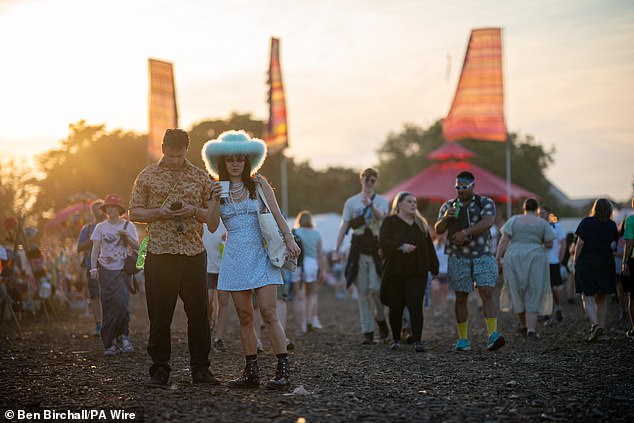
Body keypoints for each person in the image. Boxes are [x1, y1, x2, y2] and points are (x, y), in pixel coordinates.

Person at [203, 130, 301, 390]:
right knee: (244, 316)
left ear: (248, 161)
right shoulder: (216, 189)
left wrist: (290, 239)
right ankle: (251, 371)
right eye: (230, 160)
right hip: (234, 255)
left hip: (261, 252)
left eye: (240, 159)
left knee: (269, 311)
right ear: (221, 163)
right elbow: (212, 226)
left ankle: (283, 370)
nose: (236, 163)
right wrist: (213, 200)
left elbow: (278, 215)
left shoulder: (259, 184)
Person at [129, 128, 219, 387]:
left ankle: (201, 369)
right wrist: (160, 212)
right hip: (159, 252)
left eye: (180, 156)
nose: (175, 161)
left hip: (192, 251)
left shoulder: (200, 177)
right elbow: (134, 211)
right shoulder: (147, 175)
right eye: (170, 155)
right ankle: (159, 370)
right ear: (163, 148)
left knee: (199, 315)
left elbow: (212, 218)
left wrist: (194, 211)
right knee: (160, 315)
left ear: (187, 151)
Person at [434, 171, 505, 351]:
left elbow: (488, 221)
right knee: (460, 296)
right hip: (458, 257)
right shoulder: (448, 205)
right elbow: (438, 230)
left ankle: (493, 335)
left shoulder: (485, 202)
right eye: (457, 187)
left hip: (481, 253)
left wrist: (465, 233)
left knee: (487, 291)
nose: (460, 190)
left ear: (473, 186)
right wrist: (445, 217)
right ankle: (463, 339)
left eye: (464, 187)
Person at [334, 168, 390, 345]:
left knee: (376, 289)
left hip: (375, 248)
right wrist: (337, 248)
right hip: (358, 247)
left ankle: (380, 317)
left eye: (373, 180)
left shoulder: (381, 201)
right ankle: (367, 330)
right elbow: (345, 225)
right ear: (361, 180)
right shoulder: (351, 202)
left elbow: (382, 218)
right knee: (363, 292)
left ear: (376, 182)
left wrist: (370, 205)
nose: (369, 183)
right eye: (366, 179)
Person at [379, 192, 439, 352]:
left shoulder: (420, 223)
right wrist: (401, 246)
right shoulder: (390, 221)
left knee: (415, 305)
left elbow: (429, 247)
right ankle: (396, 339)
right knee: (396, 306)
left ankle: (418, 340)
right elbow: (383, 241)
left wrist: (434, 267)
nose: (413, 204)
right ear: (399, 204)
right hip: (395, 271)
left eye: (415, 202)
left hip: (417, 271)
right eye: (409, 201)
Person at [496, 198, 555, 340]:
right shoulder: (542, 223)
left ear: (524, 208)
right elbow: (549, 244)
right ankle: (531, 330)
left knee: (516, 290)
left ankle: (523, 325)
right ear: (537, 209)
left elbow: (504, 240)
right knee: (533, 291)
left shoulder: (513, 220)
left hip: (514, 256)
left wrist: (497, 257)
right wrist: (536, 241)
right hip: (535, 256)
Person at [89, 193, 139, 356]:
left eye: (114, 207)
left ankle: (124, 336)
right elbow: (95, 248)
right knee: (108, 306)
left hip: (122, 271)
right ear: (105, 209)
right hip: (105, 271)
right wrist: (93, 267)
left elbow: (137, 246)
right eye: (108, 207)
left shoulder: (128, 226)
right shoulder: (100, 227)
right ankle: (109, 342)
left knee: (122, 305)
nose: (111, 210)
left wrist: (127, 238)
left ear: (120, 209)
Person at [573, 198, 619, 342]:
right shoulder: (612, 225)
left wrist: (575, 260)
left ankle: (595, 325)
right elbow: (613, 244)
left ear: (595, 208)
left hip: (587, 261)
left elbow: (580, 244)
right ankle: (602, 327)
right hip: (605, 262)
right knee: (602, 297)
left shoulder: (586, 222)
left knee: (587, 296)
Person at [291, 210, 326, 334]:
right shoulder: (317, 233)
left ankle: (301, 325)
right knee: (311, 295)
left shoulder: (294, 232)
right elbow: (320, 254)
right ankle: (311, 319)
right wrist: (323, 270)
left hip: (298, 265)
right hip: (312, 264)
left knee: (298, 297)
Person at [77, 199, 106, 336]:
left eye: (100, 208)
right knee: (95, 297)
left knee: (108, 296)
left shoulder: (111, 225)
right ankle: (98, 324)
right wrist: (93, 240)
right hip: (92, 266)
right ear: (92, 212)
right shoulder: (87, 229)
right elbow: (79, 248)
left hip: (109, 266)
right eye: (95, 209)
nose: (97, 211)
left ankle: (108, 323)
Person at [202, 221, 230, 352]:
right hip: (206, 266)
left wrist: (229, 235)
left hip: (224, 266)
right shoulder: (204, 214)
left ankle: (219, 338)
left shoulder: (226, 214)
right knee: (207, 301)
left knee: (223, 301)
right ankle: (207, 329)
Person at [538, 205, 566, 321]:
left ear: (549, 213)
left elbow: (563, 243)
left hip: (553, 261)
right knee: (544, 289)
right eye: (540, 213)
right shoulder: (537, 227)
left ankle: (558, 307)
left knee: (554, 288)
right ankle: (546, 312)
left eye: (543, 213)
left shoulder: (556, 226)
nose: (541, 215)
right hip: (540, 261)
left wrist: (560, 259)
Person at [620, 199, 634, 338]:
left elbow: (629, 243)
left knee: (632, 296)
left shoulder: (631, 220)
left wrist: (625, 262)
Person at [431, 233, 450, 316]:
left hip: (446, 272)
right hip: (436, 273)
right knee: (436, 290)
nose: (444, 237)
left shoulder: (449, 247)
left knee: (444, 292)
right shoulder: (434, 246)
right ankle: (437, 307)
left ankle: (444, 309)